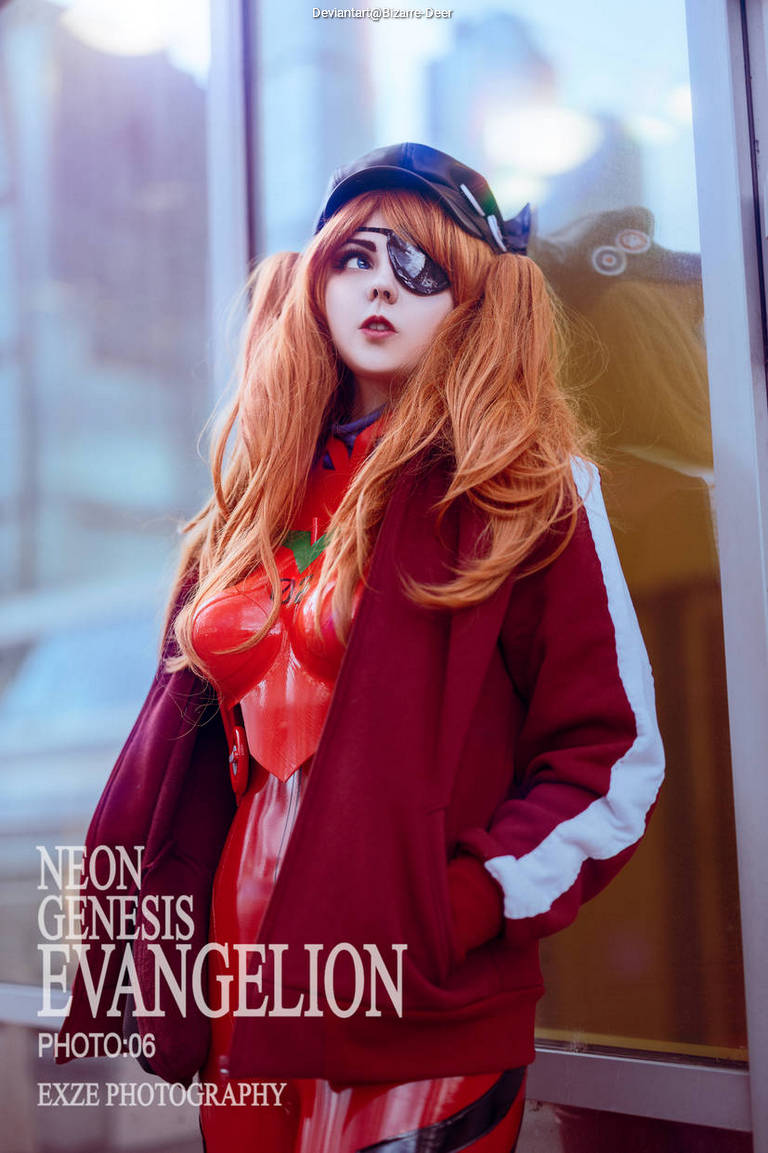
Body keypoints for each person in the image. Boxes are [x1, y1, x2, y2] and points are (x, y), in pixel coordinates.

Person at [57, 143, 665, 1152]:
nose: (384, 283)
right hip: (241, 966)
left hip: (415, 985)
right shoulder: (251, 500)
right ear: (318, 276)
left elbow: (610, 763)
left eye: (426, 268)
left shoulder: (523, 492)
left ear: (477, 304)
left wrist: (458, 905)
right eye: (359, 256)